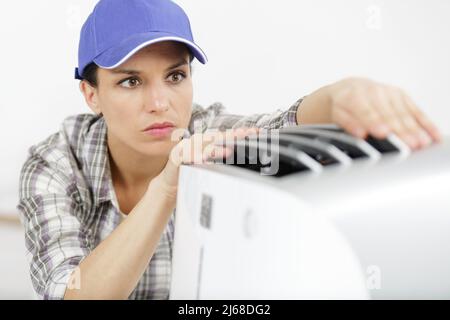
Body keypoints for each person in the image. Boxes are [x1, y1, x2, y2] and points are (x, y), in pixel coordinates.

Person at [17, 0, 441, 300]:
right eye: (131, 81)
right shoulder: (54, 164)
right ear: (91, 95)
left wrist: (340, 95)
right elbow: (74, 295)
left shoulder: (203, 131)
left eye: (176, 76)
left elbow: (276, 127)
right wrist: (165, 189)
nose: (161, 102)